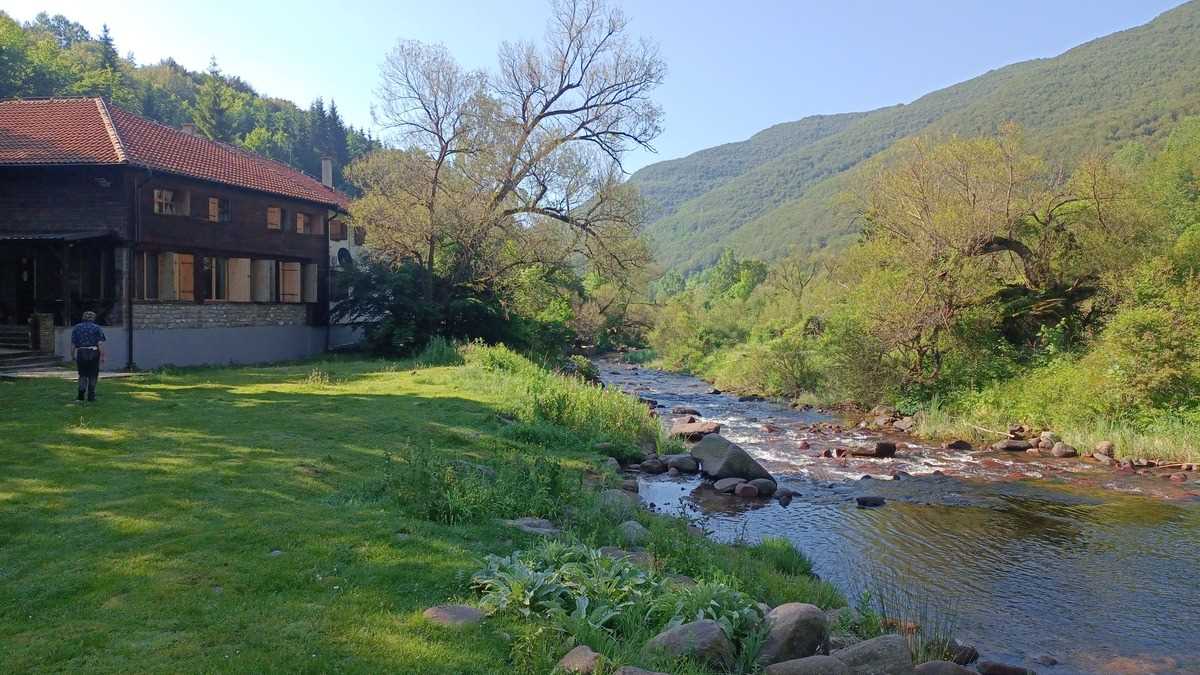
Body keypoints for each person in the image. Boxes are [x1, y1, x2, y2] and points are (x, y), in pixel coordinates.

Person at [71, 310, 106, 402]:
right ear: (93, 318)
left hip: (81, 352)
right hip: (93, 352)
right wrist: (102, 356)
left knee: (82, 374)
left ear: (83, 317)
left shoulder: (77, 328)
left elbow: (73, 343)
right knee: (93, 375)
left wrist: (72, 355)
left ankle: (81, 396)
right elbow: (100, 343)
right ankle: (91, 396)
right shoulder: (97, 328)